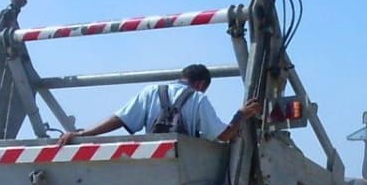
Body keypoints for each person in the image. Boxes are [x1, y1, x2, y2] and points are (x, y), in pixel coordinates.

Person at [57, 64, 260, 146]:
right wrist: (241, 115)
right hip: (185, 169)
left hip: (152, 162)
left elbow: (119, 119)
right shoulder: (198, 98)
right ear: (200, 84)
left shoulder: (151, 91)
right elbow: (223, 135)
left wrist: (82, 134)